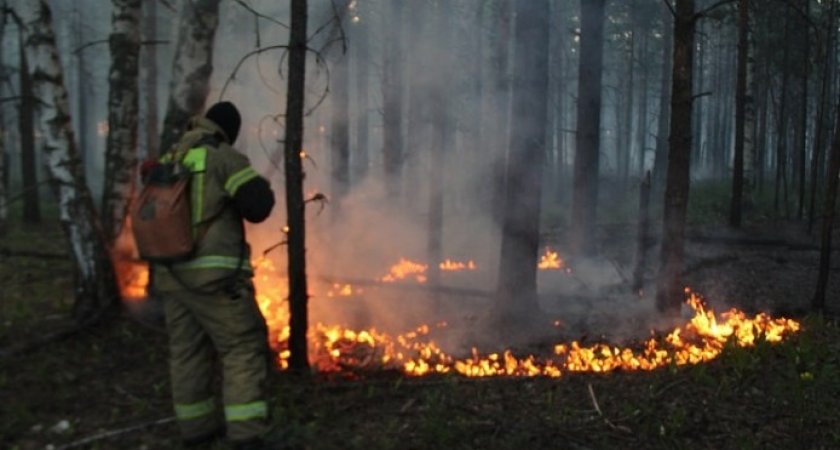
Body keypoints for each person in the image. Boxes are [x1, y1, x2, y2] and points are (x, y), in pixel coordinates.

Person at [150, 101, 275, 449]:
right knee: (242, 347)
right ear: (228, 130)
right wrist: (260, 185)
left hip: (172, 276)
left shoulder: (171, 157)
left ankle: (197, 431)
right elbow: (258, 207)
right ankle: (247, 436)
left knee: (187, 353)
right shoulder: (223, 157)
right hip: (213, 279)